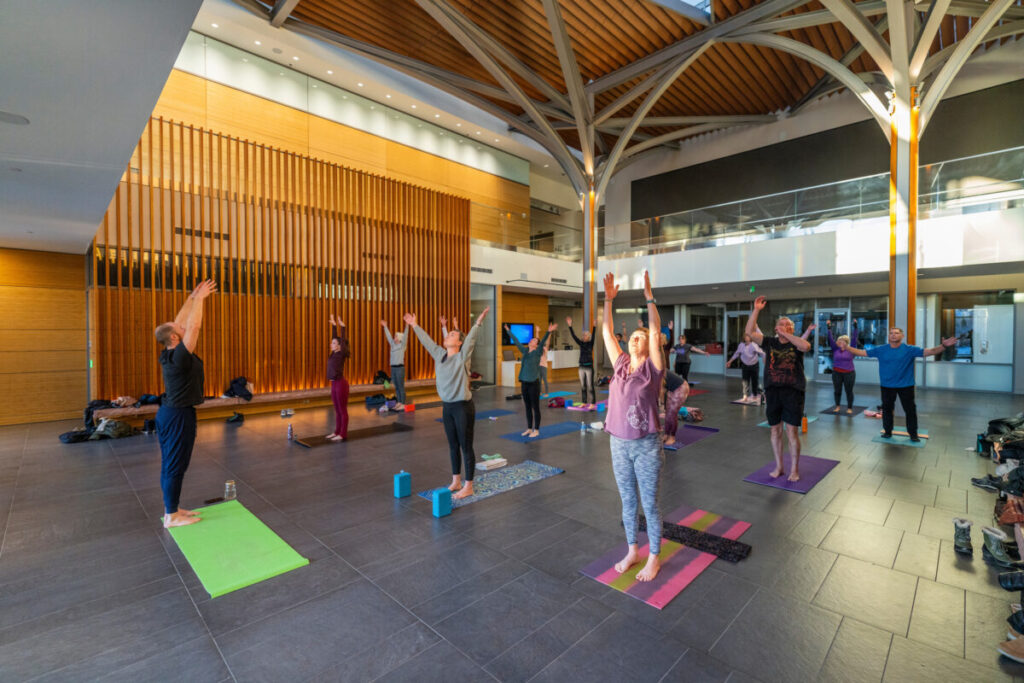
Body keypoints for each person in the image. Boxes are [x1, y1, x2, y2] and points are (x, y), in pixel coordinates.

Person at [602, 270, 665, 582]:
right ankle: (632, 550)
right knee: (627, 501)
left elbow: (654, 333)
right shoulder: (621, 364)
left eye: (639, 337)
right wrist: (608, 301)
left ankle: (654, 556)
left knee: (649, 503)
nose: (634, 339)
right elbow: (606, 332)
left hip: (646, 445)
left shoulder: (652, 370)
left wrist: (649, 298)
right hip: (618, 442)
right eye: (632, 337)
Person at [406, 307, 490, 499]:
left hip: (463, 407)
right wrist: (414, 325)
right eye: (448, 333)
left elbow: (470, 341)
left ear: (459, 342)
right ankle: (456, 480)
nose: (447, 336)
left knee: (465, 446)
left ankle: (468, 486)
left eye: (452, 334)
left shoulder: (462, 357)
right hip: (448, 407)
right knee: (453, 445)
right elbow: (426, 342)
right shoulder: (439, 355)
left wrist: (478, 323)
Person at [153, 279, 217, 528]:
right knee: (174, 464)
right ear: (173, 336)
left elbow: (181, 322)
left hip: (173, 413)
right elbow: (194, 327)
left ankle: (173, 508)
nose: (180, 323)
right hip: (177, 416)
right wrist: (200, 301)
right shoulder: (180, 355)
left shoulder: (169, 352)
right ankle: (171, 516)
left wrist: (191, 298)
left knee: (174, 463)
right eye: (176, 327)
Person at [848, 327, 956, 441]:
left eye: (896, 333)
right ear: (888, 336)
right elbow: (862, 352)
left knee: (910, 410)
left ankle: (913, 434)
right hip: (887, 386)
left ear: (902, 336)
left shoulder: (909, 349)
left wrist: (943, 346)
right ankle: (888, 431)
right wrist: (847, 347)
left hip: (906, 386)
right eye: (891, 333)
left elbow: (930, 351)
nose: (893, 335)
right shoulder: (881, 349)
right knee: (887, 410)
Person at [746, 296, 811, 482]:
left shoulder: (796, 343)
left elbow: (806, 346)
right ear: (775, 328)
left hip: (793, 391)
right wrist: (757, 309)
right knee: (775, 430)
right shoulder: (769, 342)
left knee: (792, 431)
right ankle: (779, 466)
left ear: (792, 329)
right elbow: (749, 331)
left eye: (787, 325)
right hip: (773, 391)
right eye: (780, 324)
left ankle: (794, 469)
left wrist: (786, 334)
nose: (783, 326)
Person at [505, 322, 556, 438]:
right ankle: (529, 428)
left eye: (533, 340)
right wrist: (508, 331)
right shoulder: (524, 351)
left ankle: (536, 429)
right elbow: (516, 341)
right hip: (524, 383)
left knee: (535, 407)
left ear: (536, 345)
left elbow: (542, 341)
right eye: (531, 340)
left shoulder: (538, 352)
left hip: (534, 383)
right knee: (527, 407)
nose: (531, 341)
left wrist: (549, 331)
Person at [825, 320, 858, 414]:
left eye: (841, 340)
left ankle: (850, 407)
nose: (839, 341)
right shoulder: (835, 349)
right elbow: (830, 339)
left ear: (846, 342)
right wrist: (829, 328)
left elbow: (855, 338)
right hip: (836, 373)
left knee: (849, 391)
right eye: (839, 340)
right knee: (837, 390)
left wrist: (855, 327)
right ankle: (837, 406)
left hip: (849, 373)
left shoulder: (851, 349)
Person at [326, 313, 350, 440]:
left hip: (341, 384)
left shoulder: (341, 353)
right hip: (334, 384)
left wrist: (343, 327)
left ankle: (343, 434)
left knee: (342, 410)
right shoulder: (333, 353)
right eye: (331, 343)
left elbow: (342, 342)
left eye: (334, 343)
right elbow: (335, 338)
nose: (331, 344)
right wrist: (334, 326)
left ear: (339, 346)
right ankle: (336, 432)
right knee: (337, 410)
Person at [726, 333, 765, 403]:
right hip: (745, 365)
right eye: (745, 336)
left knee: (754, 380)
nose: (746, 338)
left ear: (750, 338)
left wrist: (764, 359)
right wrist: (730, 361)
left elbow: (762, 353)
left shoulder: (754, 345)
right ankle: (745, 395)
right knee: (745, 381)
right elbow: (736, 354)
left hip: (754, 365)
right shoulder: (741, 345)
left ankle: (755, 395)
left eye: (748, 336)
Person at [567, 316, 596, 407]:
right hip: (581, 367)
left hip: (589, 367)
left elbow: (594, 335)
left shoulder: (590, 343)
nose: (583, 336)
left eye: (585, 335)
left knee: (590, 386)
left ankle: (592, 403)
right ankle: (584, 402)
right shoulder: (581, 343)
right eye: (583, 335)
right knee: (583, 386)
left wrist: (594, 327)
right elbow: (574, 336)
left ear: (589, 337)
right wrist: (570, 326)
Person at [380, 319, 409, 408]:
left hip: (400, 368)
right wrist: (385, 326)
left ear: (400, 338)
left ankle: (402, 403)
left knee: (401, 386)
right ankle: (399, 402)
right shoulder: (392, 344)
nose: (394, 338)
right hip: (393, 368)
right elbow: (388, 336)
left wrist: (407, 325)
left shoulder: (402, 345)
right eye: (394, 336)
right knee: (396, 386)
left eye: (396, 336)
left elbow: (406, 336)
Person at [662, 368, 690, 447]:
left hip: (681, 388)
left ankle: (672, 437)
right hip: (672, 389)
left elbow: (661, 390)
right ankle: (666, 434)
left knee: (672, 413)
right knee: (668, 413)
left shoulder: (656, 368)